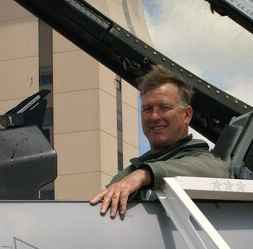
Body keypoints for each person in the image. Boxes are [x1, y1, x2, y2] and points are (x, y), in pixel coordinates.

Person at [90, 65, 232, 218]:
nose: (154, 117)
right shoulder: (126, 177)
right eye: (147, 109)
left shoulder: (202, 162)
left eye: (164, 107)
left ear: (186, 115)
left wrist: (147, 174)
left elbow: (221, 171)